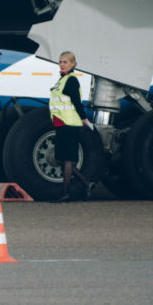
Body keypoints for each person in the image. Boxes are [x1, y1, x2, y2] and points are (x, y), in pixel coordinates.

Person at [49, 51, 95, 202]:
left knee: (67, 159)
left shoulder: (71, 80)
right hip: (61, 123)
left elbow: (76, 102)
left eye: (65, 62)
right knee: (60, 160)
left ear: (73, 64)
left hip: (70, 124)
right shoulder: (62, 80)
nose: (62, 64)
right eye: (60, 61)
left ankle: (65, 192)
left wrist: (84, 120)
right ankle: (86, 184)